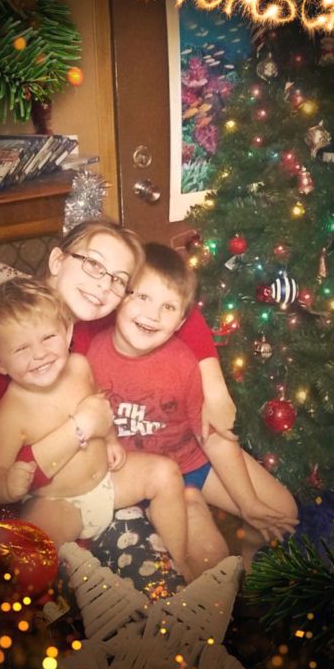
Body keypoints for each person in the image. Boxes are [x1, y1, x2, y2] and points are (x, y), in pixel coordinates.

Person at [0, 219, 236, 541]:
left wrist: (214, 384)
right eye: (93, 264)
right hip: (47, 510)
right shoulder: (3, 343)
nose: (104, 286)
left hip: (116, 475)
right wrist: (80, 428)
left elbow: (180, 307)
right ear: (57, 260)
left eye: (119, 279)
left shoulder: (95, 316)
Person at [86, 243, 298, 572]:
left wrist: (248, 503)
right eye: (142, 297)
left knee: (283, 511)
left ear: (181, 321)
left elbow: (212, 435)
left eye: (168, 307)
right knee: (207, 557)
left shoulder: (184, 363)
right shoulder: (91, 356)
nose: (152, 315)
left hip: (192, 462)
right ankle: (183, 509)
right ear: (119, 296)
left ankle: (247, 556)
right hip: (138, 475)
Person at [0, 276, 195, 582]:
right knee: (28, 550)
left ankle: (180, 562)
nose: (39, 354)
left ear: (67, 332)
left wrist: (111, 440)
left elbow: (98, 404)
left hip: (108, 482)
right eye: (22, 348)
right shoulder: (12, 412)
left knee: (166, 472)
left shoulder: (79, 366)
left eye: (48, 337)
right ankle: (55, 601)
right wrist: (7, 484)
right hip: (58, 503)